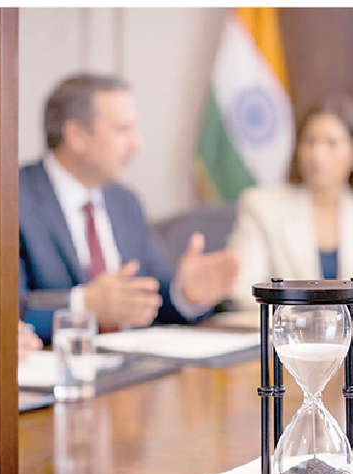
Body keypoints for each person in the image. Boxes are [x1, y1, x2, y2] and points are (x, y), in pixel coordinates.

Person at [20, 73, 239, 342]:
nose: (137, 144)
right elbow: (2, 310)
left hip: (131, 361)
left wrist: (185, 293)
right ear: (76, 135)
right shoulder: (14, 199)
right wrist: (84, 305)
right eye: (123, 129)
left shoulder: (124, 201)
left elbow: (155, 292)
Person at [228, 96, 353, 309]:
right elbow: (242, 291)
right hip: (288, 328)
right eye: (309, 142)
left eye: (331, 144)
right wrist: (307, 320)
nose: (317, 155)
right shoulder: (260, 207)